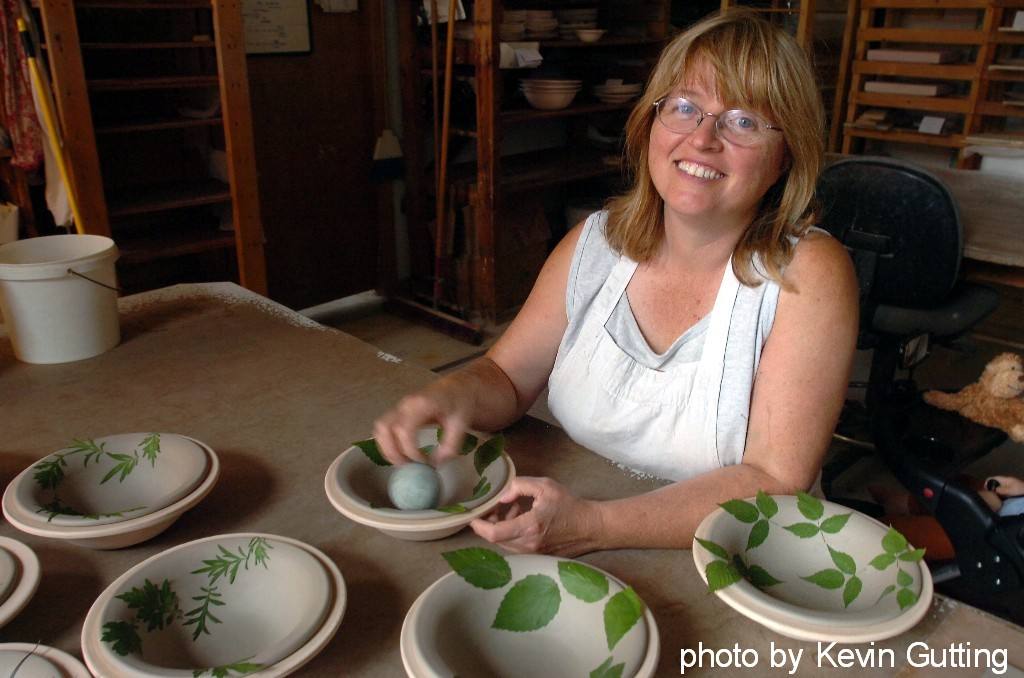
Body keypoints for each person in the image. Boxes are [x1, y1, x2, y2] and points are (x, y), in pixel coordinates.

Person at [373, 9, 858, 556]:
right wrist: (453, 392)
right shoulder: (596, 243)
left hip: (736, 556)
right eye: (684, 107)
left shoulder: (807, 273)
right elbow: (507, 377)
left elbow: (775, 479)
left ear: (785, 156)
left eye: (743, 121)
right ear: (651, 123)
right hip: (578, 515)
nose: (703, 138)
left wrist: (594, 526)